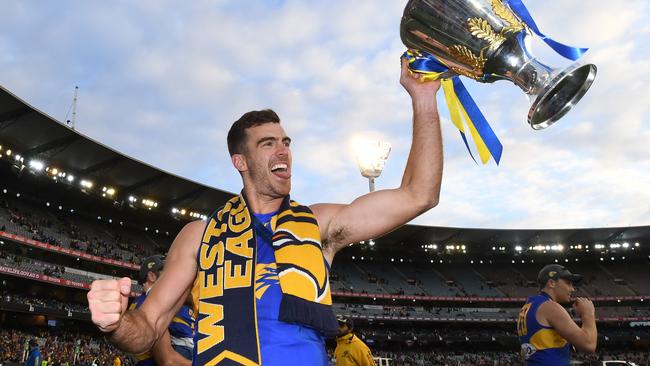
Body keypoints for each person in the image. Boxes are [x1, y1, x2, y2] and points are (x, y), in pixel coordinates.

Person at [87, 57, 443, 365]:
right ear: (239, 161)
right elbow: (147, 329)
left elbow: (419, 195)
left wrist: (423, 98)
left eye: (286, 143)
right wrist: (117, 324)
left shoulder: (318, 224)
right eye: (268, 144)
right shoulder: (200, 237)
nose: (283, 151)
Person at [517, 264, 597, 365]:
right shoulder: (550, 307)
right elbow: (589, 345)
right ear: (551, 283)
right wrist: (588, 314)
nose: (572, 289)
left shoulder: (529, 306)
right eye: (568, 283)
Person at [127, 255, 193, 366]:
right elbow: (167, 361)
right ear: (152, 276)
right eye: (166, 271)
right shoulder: (149, 304)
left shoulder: (147, 300)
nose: (172, 275)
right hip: (176, 355)